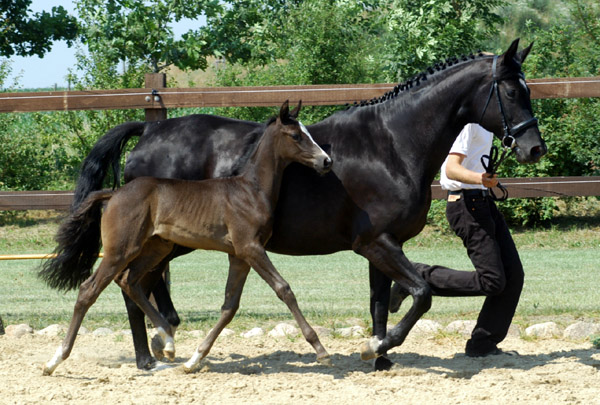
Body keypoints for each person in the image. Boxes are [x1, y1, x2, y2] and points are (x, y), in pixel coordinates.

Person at [390, 123, 523, 357]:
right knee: (493, 281)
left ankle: (483, 343)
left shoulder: (487, 125)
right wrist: (480, 178)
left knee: (513, 275)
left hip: (482, 202)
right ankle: (415, 275)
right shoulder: (468, 124)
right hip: (466, 205)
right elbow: (451, 169)